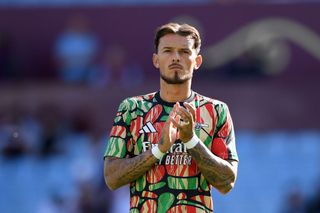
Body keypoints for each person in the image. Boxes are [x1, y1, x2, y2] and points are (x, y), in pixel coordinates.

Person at [103, 23, 239, 212]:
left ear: (197, 61)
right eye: (167, 50)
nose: (176, 57)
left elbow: (227, 182)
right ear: (156, 60)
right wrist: (159, 149)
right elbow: (111, 178)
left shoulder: (216, 110)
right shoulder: (132, 109)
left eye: (184, 51)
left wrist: (191, 141)